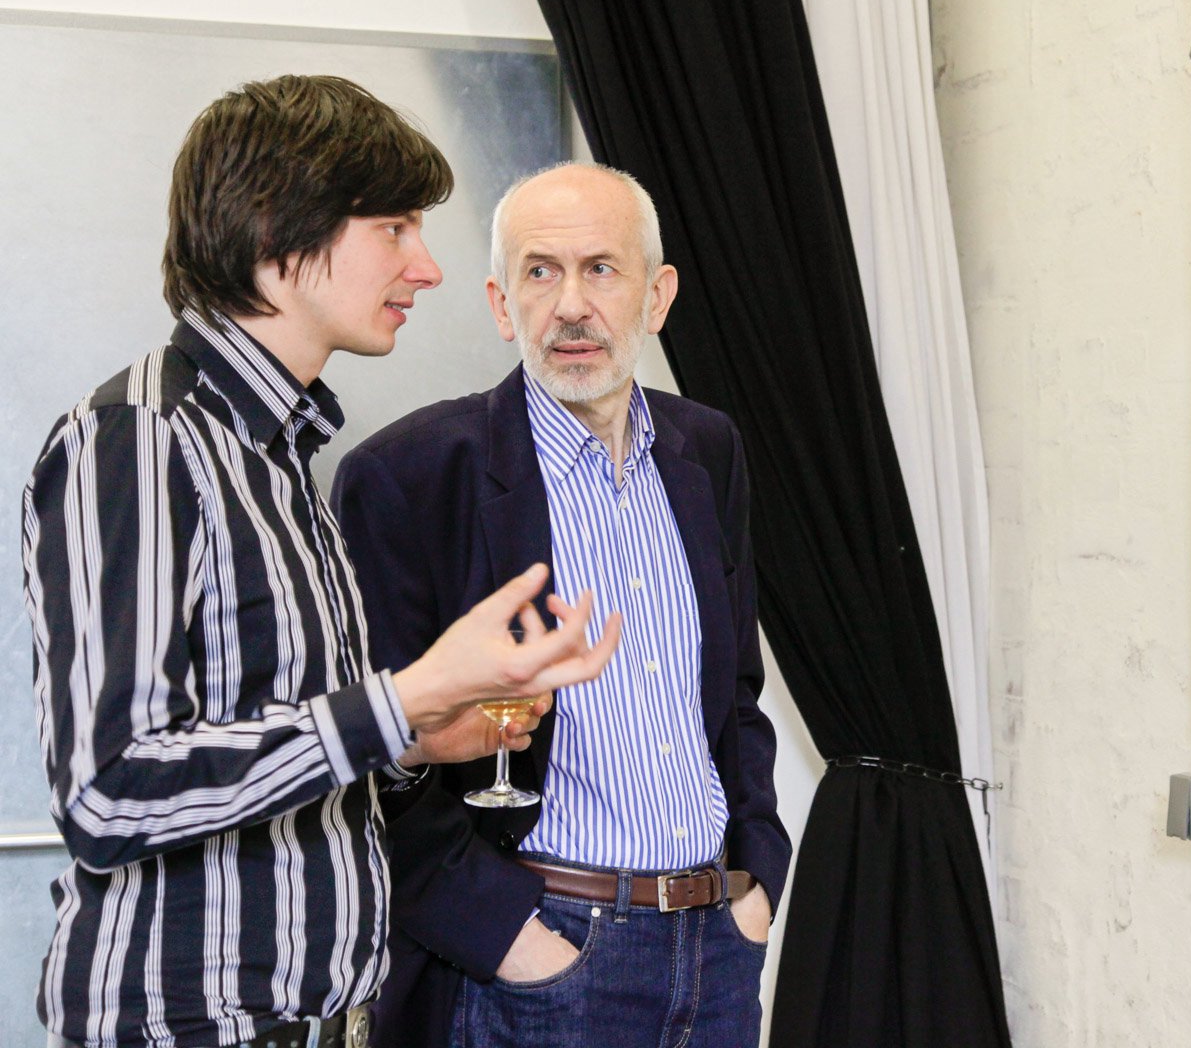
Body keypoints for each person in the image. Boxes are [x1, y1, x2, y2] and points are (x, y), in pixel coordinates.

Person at [22, 76, 623, 1048]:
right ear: (276, 234)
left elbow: (269, 746)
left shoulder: (278, 458)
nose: (425, 267)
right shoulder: (140, 436)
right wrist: (410, 690)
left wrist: (421, 735)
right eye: (394, 227)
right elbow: (109, 789)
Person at [332, 162, 790, 1047]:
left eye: (601, 270)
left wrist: (756, 883)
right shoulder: (411, 474)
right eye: (540, 272)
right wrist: (512, 943)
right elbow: (373, 751)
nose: (571, 305)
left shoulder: (710, 450)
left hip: (719, 952)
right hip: (537, 959)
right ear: (503, 306)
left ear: (656, 297)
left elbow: (735, 693)